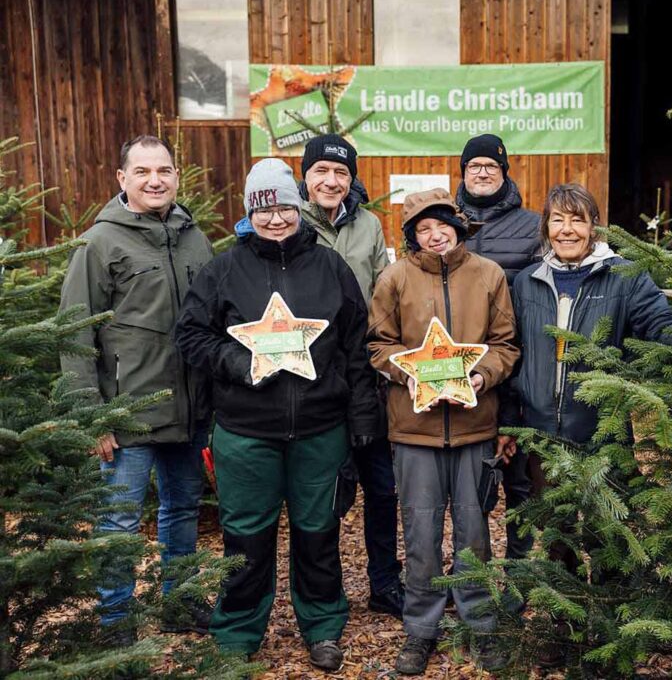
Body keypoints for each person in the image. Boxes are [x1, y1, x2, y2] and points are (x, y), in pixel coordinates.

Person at [174, 158, 378, 672]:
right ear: (249, 212)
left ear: (298, 206)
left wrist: (361, 422)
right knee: (245, 537)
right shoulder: (224, 269)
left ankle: (324, 625)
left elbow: (356, 348)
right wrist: (241, 363)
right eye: (263, 208)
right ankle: (238, 631)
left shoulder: (331, 268)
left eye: (284, 206)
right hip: (247, 431)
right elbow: (191, 336)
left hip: (320, 428)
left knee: (318, 532)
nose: (275, 218)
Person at [59, 135, 213, 644]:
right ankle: (116, 621)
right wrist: (92, 415)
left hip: (189, 408)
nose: (155, 180)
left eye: (164, 171)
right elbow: (75, 330)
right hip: (127, 412)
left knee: (182, 509)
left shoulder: (194, 238)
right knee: (120, 521)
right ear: (122, 178)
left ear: (175, 176)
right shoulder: (99, 243)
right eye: (143, 171)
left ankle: (180, 602)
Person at [367, 188, 520, 675]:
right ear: (413, 236)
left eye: (442, 225)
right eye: (423, 229)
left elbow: (505, 344)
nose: (435, 235)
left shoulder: (488, 275)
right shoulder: (394, 278)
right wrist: (410, 374)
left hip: (475, 427)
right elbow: (378, 345)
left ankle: (480, 623)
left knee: (475, 534)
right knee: (421, 533)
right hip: (415, 430)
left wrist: (479, 377)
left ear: (458, 226)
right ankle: (421, 629)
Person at [505, 182, 672, 543]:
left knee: (607, 537)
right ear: (546, 226)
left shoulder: (623, 276)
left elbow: (657, 322)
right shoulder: (526, 283)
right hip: (541, 434)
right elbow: (513, 353)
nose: (567, 230)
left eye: (577, 220)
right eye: (557, 220)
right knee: (555, 540)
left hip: (602, 433)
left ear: (593, 225)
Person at [298, 133, 404, 619]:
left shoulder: (370, 226)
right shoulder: (289, 223)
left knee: (381, 490)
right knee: (325, 496)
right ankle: (326, 594)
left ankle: (385, 585)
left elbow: (385, 290)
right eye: (322, 171)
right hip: (314, 380)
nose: (331, 180)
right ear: (306, 176)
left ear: (351, 179)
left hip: (369, 380)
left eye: (341, 172)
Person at [456, 133, 541, 562]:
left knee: (520, 482)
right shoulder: (446, 224)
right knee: (471, 485)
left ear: (504, 173)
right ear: (464, 173)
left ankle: (520, 573)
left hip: (519, 367)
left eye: (492, 165)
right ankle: (473, 573)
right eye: (475, 166)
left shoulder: (533, 225)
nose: (483, 172)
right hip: (465, 374)